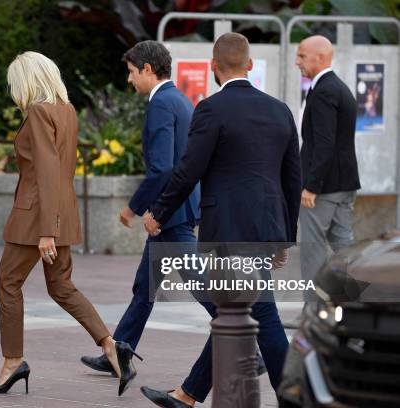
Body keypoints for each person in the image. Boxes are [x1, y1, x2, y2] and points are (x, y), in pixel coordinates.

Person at [141, 33, 301, 407]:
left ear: (214, 67)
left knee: (260, 313)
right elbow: (293, 179)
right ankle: (189, 394)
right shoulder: (281, 110)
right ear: (249, 65)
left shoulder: (211, 109)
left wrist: (159, 213)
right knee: (236, 309)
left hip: (228, 229)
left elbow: (188, 170)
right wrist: (284, 238)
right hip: (265, 227)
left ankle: (296, 395)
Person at [0, 51, 140, 397]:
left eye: (15, 83)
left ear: (27, 81)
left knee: (8, 283)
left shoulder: (38, 112)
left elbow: (48, 170)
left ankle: (12, 362)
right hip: (61, 212)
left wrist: (45, 230)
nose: (13, 90)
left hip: (36, 216)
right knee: (61, 286)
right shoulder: (66, 111)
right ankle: (112, 346)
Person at [80, 40, 220, 379]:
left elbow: (163, 169)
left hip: (172, 214)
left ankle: (247, 343)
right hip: (179, 207)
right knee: (144, 287)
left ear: (147, 69)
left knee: (201, 286)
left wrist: (135, 208)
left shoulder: (161, 104)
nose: (129, 80)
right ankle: (120, 351)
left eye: (131, 72)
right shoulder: (180, 99)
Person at [296, 35, 360, 292]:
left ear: (320, 58)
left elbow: (324, 143)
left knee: (312, 252)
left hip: (322, 189)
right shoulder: (339, 87)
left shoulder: (324, 91)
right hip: (344, 184)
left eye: (301, 56)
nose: (296, 61)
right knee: (344, 246)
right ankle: (359, 310)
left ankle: (314, 315)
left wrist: (312, 186)